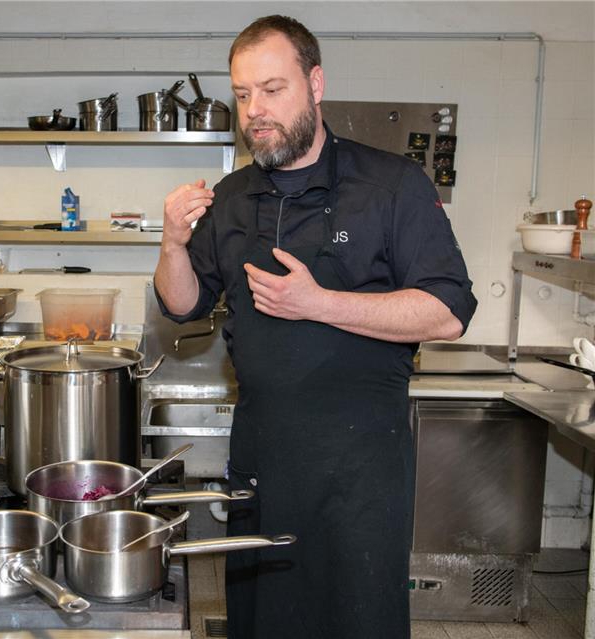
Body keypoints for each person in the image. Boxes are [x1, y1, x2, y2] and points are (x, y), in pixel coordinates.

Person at [153, 15, 477, 639]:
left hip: (361, 469)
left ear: (316, 83)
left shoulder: (391, 186)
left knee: (357, 620)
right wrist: (171, 244)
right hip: (262, 461)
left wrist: (319, 303)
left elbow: (448, 311)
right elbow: (184, 304)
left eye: (272, 89)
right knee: (263, 622)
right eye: (243, 94)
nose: (255, 110)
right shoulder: (231, 197)